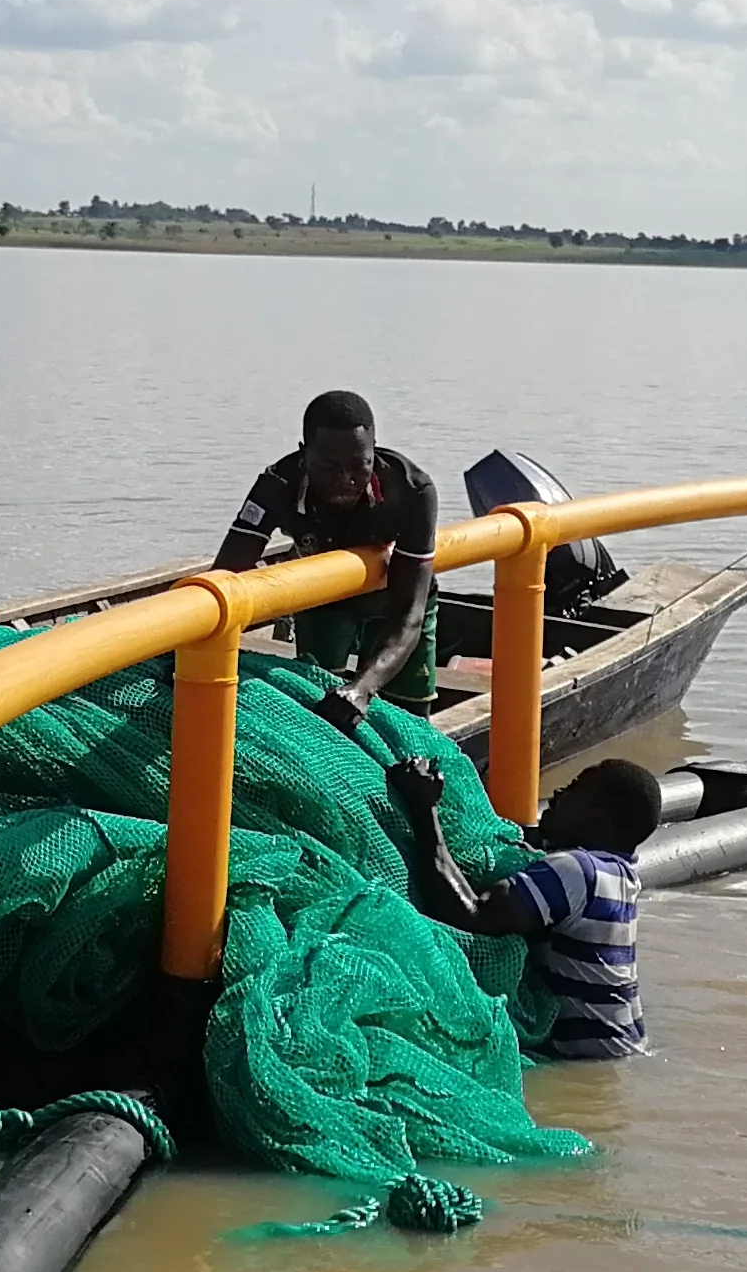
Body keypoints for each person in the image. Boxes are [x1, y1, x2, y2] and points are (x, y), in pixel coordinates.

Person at [384, 752, 662, 1057]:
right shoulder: (618, 873)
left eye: (574, 788)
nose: (557, 793)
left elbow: (470, 914)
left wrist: (424, 809)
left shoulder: (574, 870)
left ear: (600, 818)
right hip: (625, 1050)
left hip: (586, 1061)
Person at [213, 389, 440, 734]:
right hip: (323, 598)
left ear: (374, 452)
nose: (345, 479)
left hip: (396, 598)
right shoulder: (277, 484)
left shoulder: (412, 491)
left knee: (410, 723)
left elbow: (409, 614)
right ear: (304, 455)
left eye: (357, 465)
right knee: (319, 707)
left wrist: (362, 689)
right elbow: (227, 576)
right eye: (329, 466)